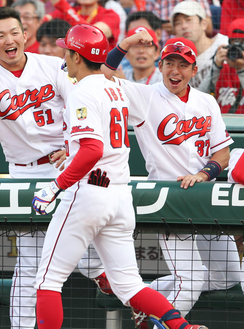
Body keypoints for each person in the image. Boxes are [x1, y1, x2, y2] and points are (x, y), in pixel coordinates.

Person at [32, 23, 208, 329]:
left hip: (89, 191)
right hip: (120, 197)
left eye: (67, 50)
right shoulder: (113, 86)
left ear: (75, 56)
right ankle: (182, 327)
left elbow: (91, 149)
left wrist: (53, 187)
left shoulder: (82, 90)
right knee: (128, 284)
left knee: (48, 279)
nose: (63, 56)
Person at [0, 8, 108, 328]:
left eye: (14, 32)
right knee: (31, 261)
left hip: (67, 165)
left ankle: (104, 273)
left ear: (25, 34)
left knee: (82, 236)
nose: (9, 40)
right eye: (0, 36)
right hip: (24, 172)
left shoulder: (52, 65)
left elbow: (86, 102)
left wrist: (70, 146)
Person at [104, 30, 240, 326]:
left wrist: (204, 174)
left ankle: (142, 298)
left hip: (205, 197)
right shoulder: (145, 96)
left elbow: (223, 155)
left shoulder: (206, 102)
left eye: (182, 64)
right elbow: (101, 76)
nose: (175, 71)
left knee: (227, 278)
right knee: (191, 278)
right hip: (171, 198)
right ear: (161, 65)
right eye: (169, 63)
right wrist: (124, 45)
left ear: (194, 69)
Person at [170, 0, 227, 88]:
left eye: (188, 20)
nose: (184, 26)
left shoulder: (224, 43)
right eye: (178, 23)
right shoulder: (179, 62)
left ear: (204, 24)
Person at [198, 18, 244, 113]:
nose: (237, 48)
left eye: (242, 43)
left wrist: (241, 70)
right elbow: (198, 98)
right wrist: (216, 66)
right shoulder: (221, 70)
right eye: (234, 42)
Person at [45, 0, 121, 48]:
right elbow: (42, 25)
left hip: (98, 69)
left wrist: (61, 4)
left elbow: (92, 35)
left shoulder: (111, 15)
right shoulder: (68, 11)